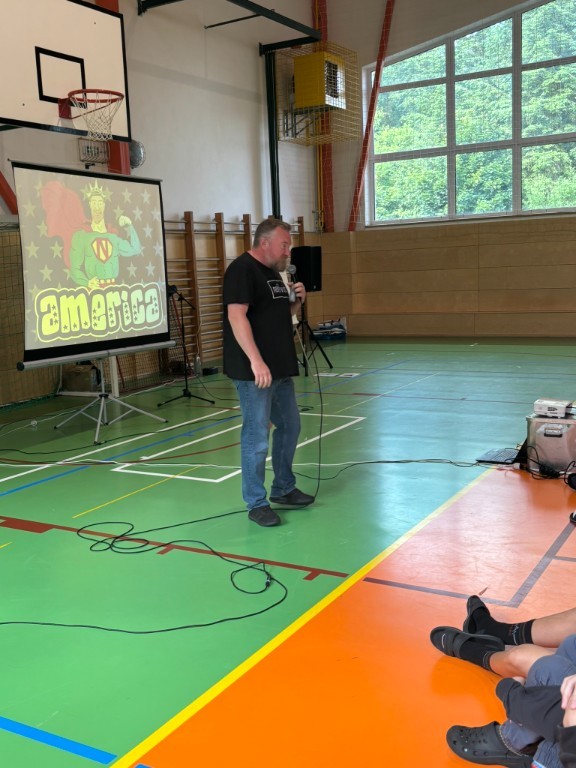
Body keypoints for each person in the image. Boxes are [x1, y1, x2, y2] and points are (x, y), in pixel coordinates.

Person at [222, 218, 314, 527]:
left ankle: (283, 488)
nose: (288, 251)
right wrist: (256, 361)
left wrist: (296, 303)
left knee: (290, 426)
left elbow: (276, 315)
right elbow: (237, 317)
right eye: (284, 245)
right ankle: (256, 502)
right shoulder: (242, 270)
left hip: (280, 367)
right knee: (256, 436)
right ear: (265, 243)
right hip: (255, 373)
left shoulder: (273, 273)